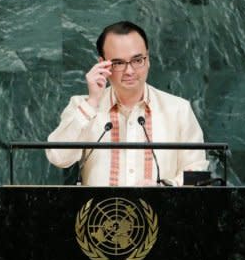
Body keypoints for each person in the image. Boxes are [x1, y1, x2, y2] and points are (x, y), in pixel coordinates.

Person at [46, 21, 208, 186]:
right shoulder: (83, 106)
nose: (129, 71)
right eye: (118, 63)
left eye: (137, 60)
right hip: (99, 211)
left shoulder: (178, 110)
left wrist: (164, 188)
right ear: (103, 64)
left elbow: (198, 174)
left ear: (148, 59)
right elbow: (58, 157)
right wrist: (92, 102)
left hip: (160, 210)